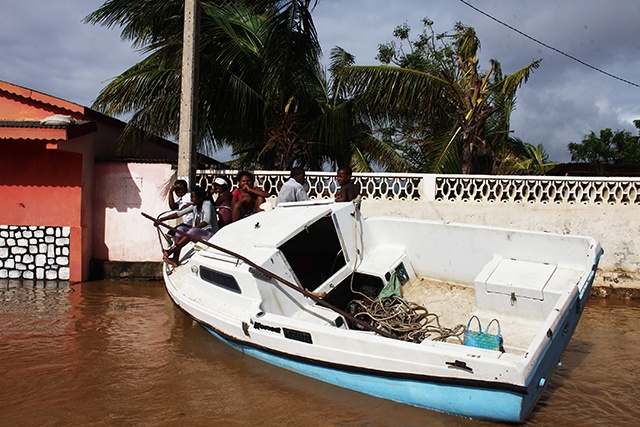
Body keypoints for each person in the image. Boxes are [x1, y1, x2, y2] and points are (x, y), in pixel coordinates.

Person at [156, 186, 218, 267]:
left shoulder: (207, 204)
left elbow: (206, 221)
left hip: (210, 234)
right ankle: (175, 258)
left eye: (193, 197)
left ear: (200, 198)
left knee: (192, 231)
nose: (191, 199)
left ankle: (170, 251)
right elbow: (179, 213)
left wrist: (193, 229)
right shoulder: (194, 206)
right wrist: (161, 219)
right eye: (190, 197)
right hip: (198, 232)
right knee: (180, 229)